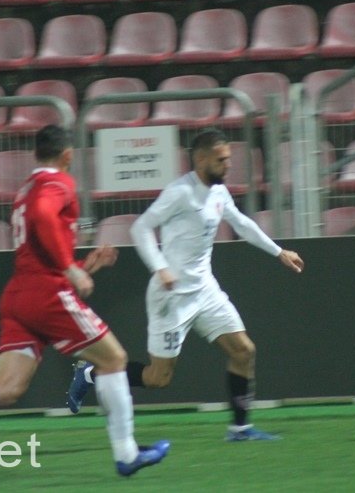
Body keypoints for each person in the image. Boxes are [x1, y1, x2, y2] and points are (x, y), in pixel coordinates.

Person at [0, 125, 170, 477]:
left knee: (7, 388)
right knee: (114, 359)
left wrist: (87, 266)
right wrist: (72, 269)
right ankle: (127, 454)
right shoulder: (57, 183)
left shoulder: (26, 188)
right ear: (68, 155)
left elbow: (37, 249)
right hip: (45, 295)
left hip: (19, 295)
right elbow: (43, 216)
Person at [66, 128, 304, 441]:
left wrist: (279, 252)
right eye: (222, 159)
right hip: (171, 297)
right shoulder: (180, 192)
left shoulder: (218, 191)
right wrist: (161, 268)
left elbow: (241, 223)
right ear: (201, 158)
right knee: (157, 378)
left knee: (244, 350)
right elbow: (140, 228)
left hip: (205, 289)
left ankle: (240, 429)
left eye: (229, 158)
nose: (228, 164)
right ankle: (90, 373)